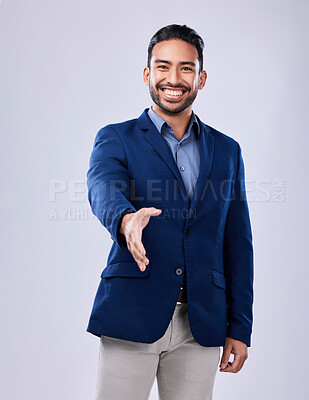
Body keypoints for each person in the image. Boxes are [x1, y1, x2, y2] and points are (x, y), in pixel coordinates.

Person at [86, 24, 254, 400]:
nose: (173, 79)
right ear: (147, 74)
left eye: (186, 68)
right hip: (133, 313)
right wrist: (125, 220)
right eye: (162, 67)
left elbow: (237, 242)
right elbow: (103, 186)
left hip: (203, 324)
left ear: (201, 77)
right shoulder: (117, 137)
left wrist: (240, 326)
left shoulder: (227, 151)